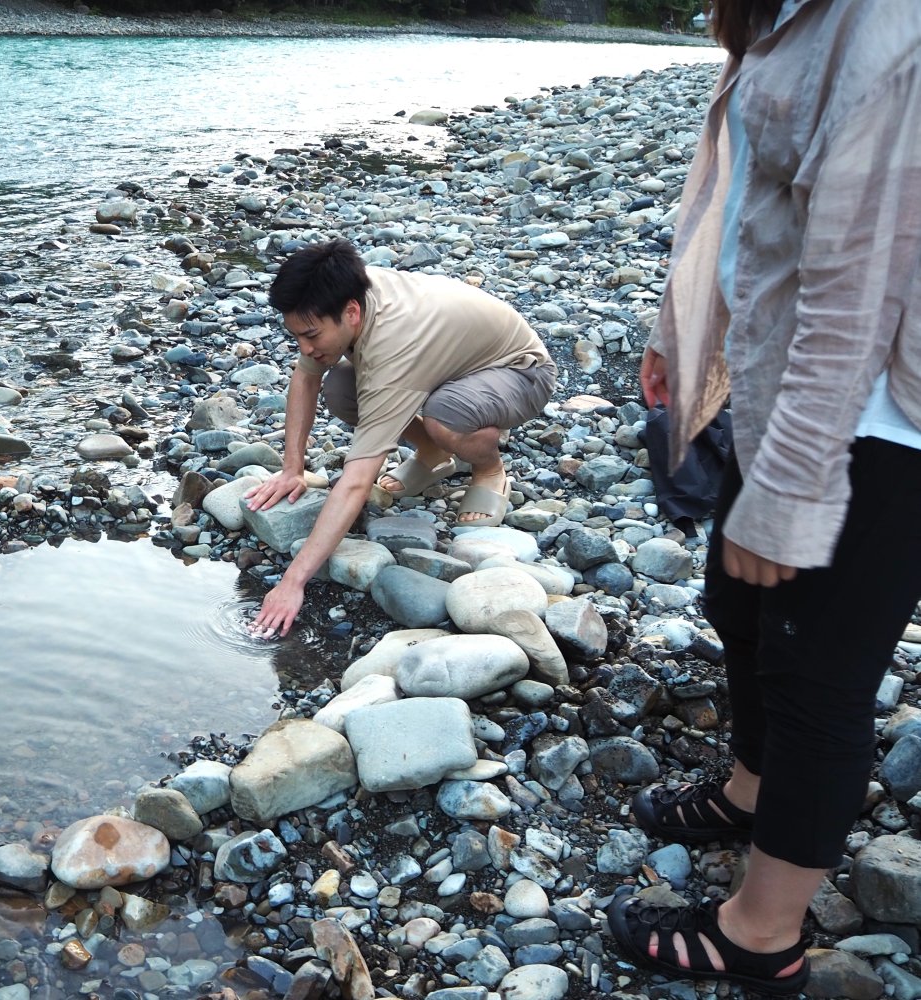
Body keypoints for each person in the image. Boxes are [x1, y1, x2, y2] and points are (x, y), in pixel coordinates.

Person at [606, 0, 921, 995]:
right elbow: (737, 194)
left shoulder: (889, 29)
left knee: (819, 672)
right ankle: (750, 784)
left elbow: (856, 285)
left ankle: (763, 930)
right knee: (739, 604)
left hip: (882, 415)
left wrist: (792, 485)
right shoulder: (784, 13)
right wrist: (677, 326)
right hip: (782, 374)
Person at [244, 239, 556, 638]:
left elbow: (357, 480)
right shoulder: (340, 296)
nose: (304, 347)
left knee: (447, 416)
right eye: (297, 336)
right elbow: (306, 376)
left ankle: (488, 468)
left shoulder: (394, 346)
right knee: (341, 387)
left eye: (311, 336)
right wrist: (293, 469)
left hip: (520, 372)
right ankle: (434, 455)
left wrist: (292, 582)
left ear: (351, 313)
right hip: (451, 363)